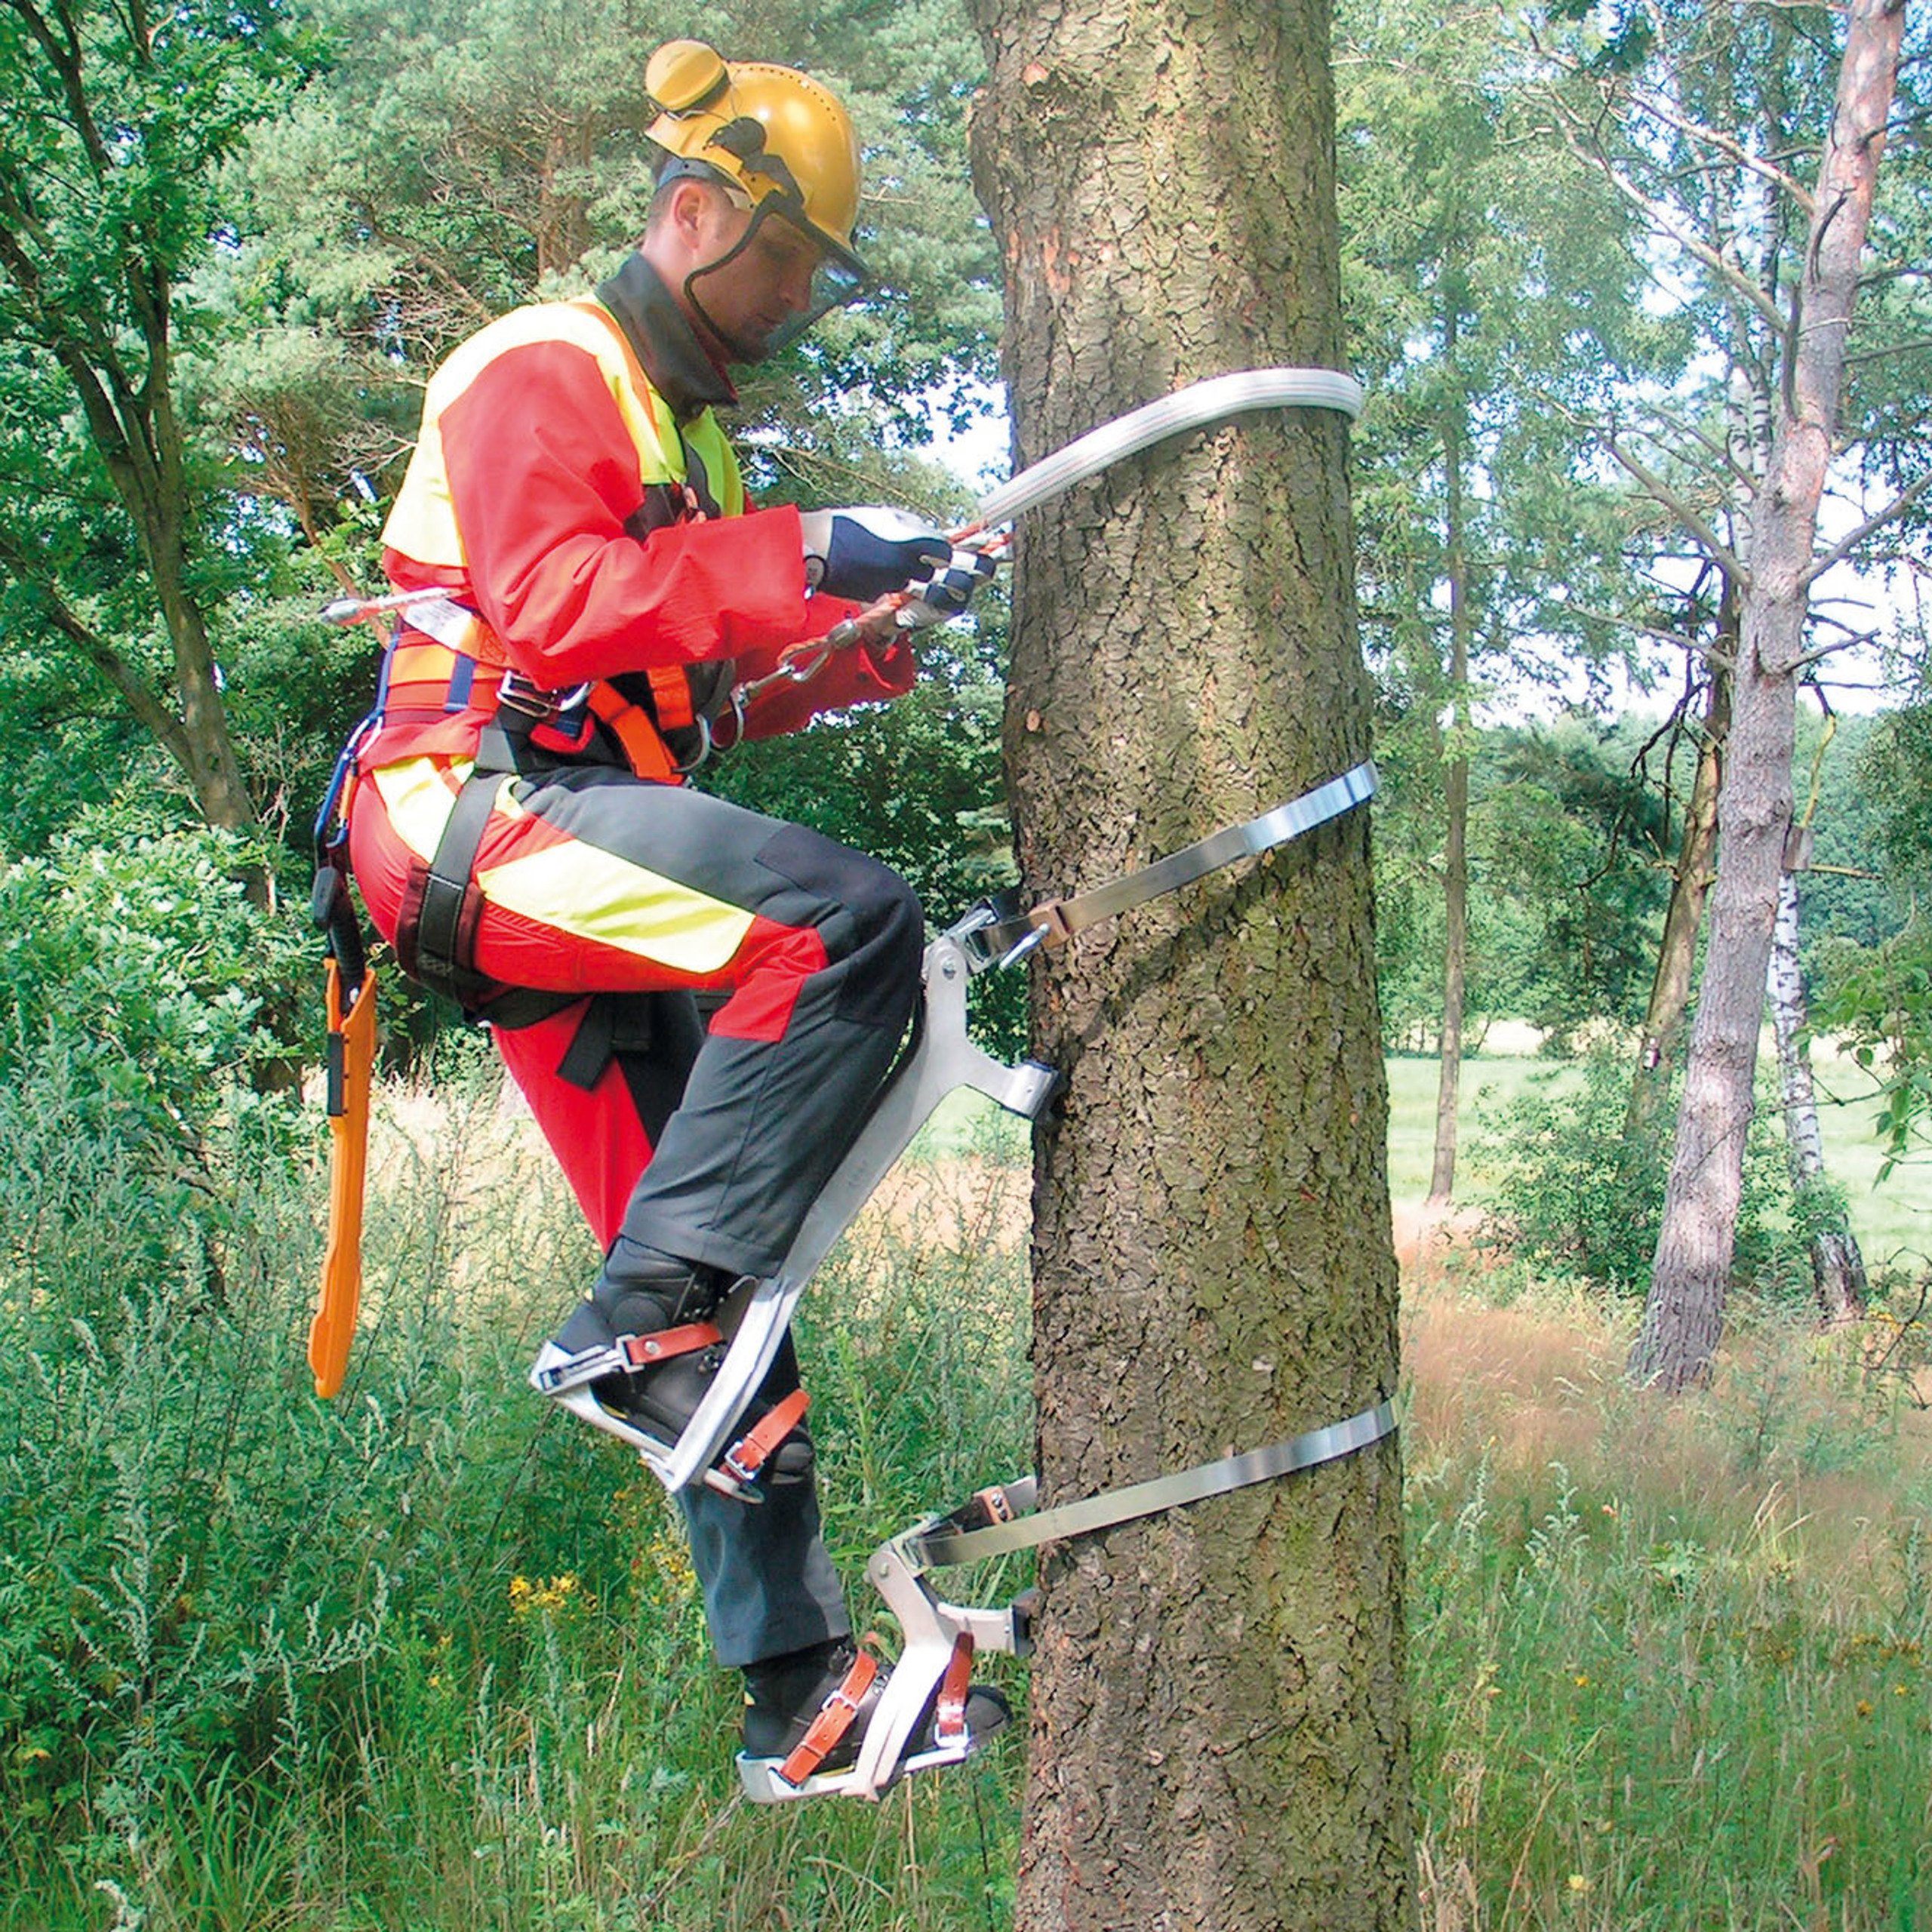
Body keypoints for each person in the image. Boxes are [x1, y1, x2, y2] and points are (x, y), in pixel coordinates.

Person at [342, 39, 1006, 1789]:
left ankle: (797, 1697)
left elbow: (662, 697)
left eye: (811, 271)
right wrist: (804, 546)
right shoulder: (545, 366)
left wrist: (833, 656)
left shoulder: (690, 433)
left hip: (552, 842)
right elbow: (557, 614)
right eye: (786, 257)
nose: (797, 294)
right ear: (696, 211)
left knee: (717, 1297)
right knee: (840, 924)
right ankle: (628, 1333)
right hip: (464, 819)